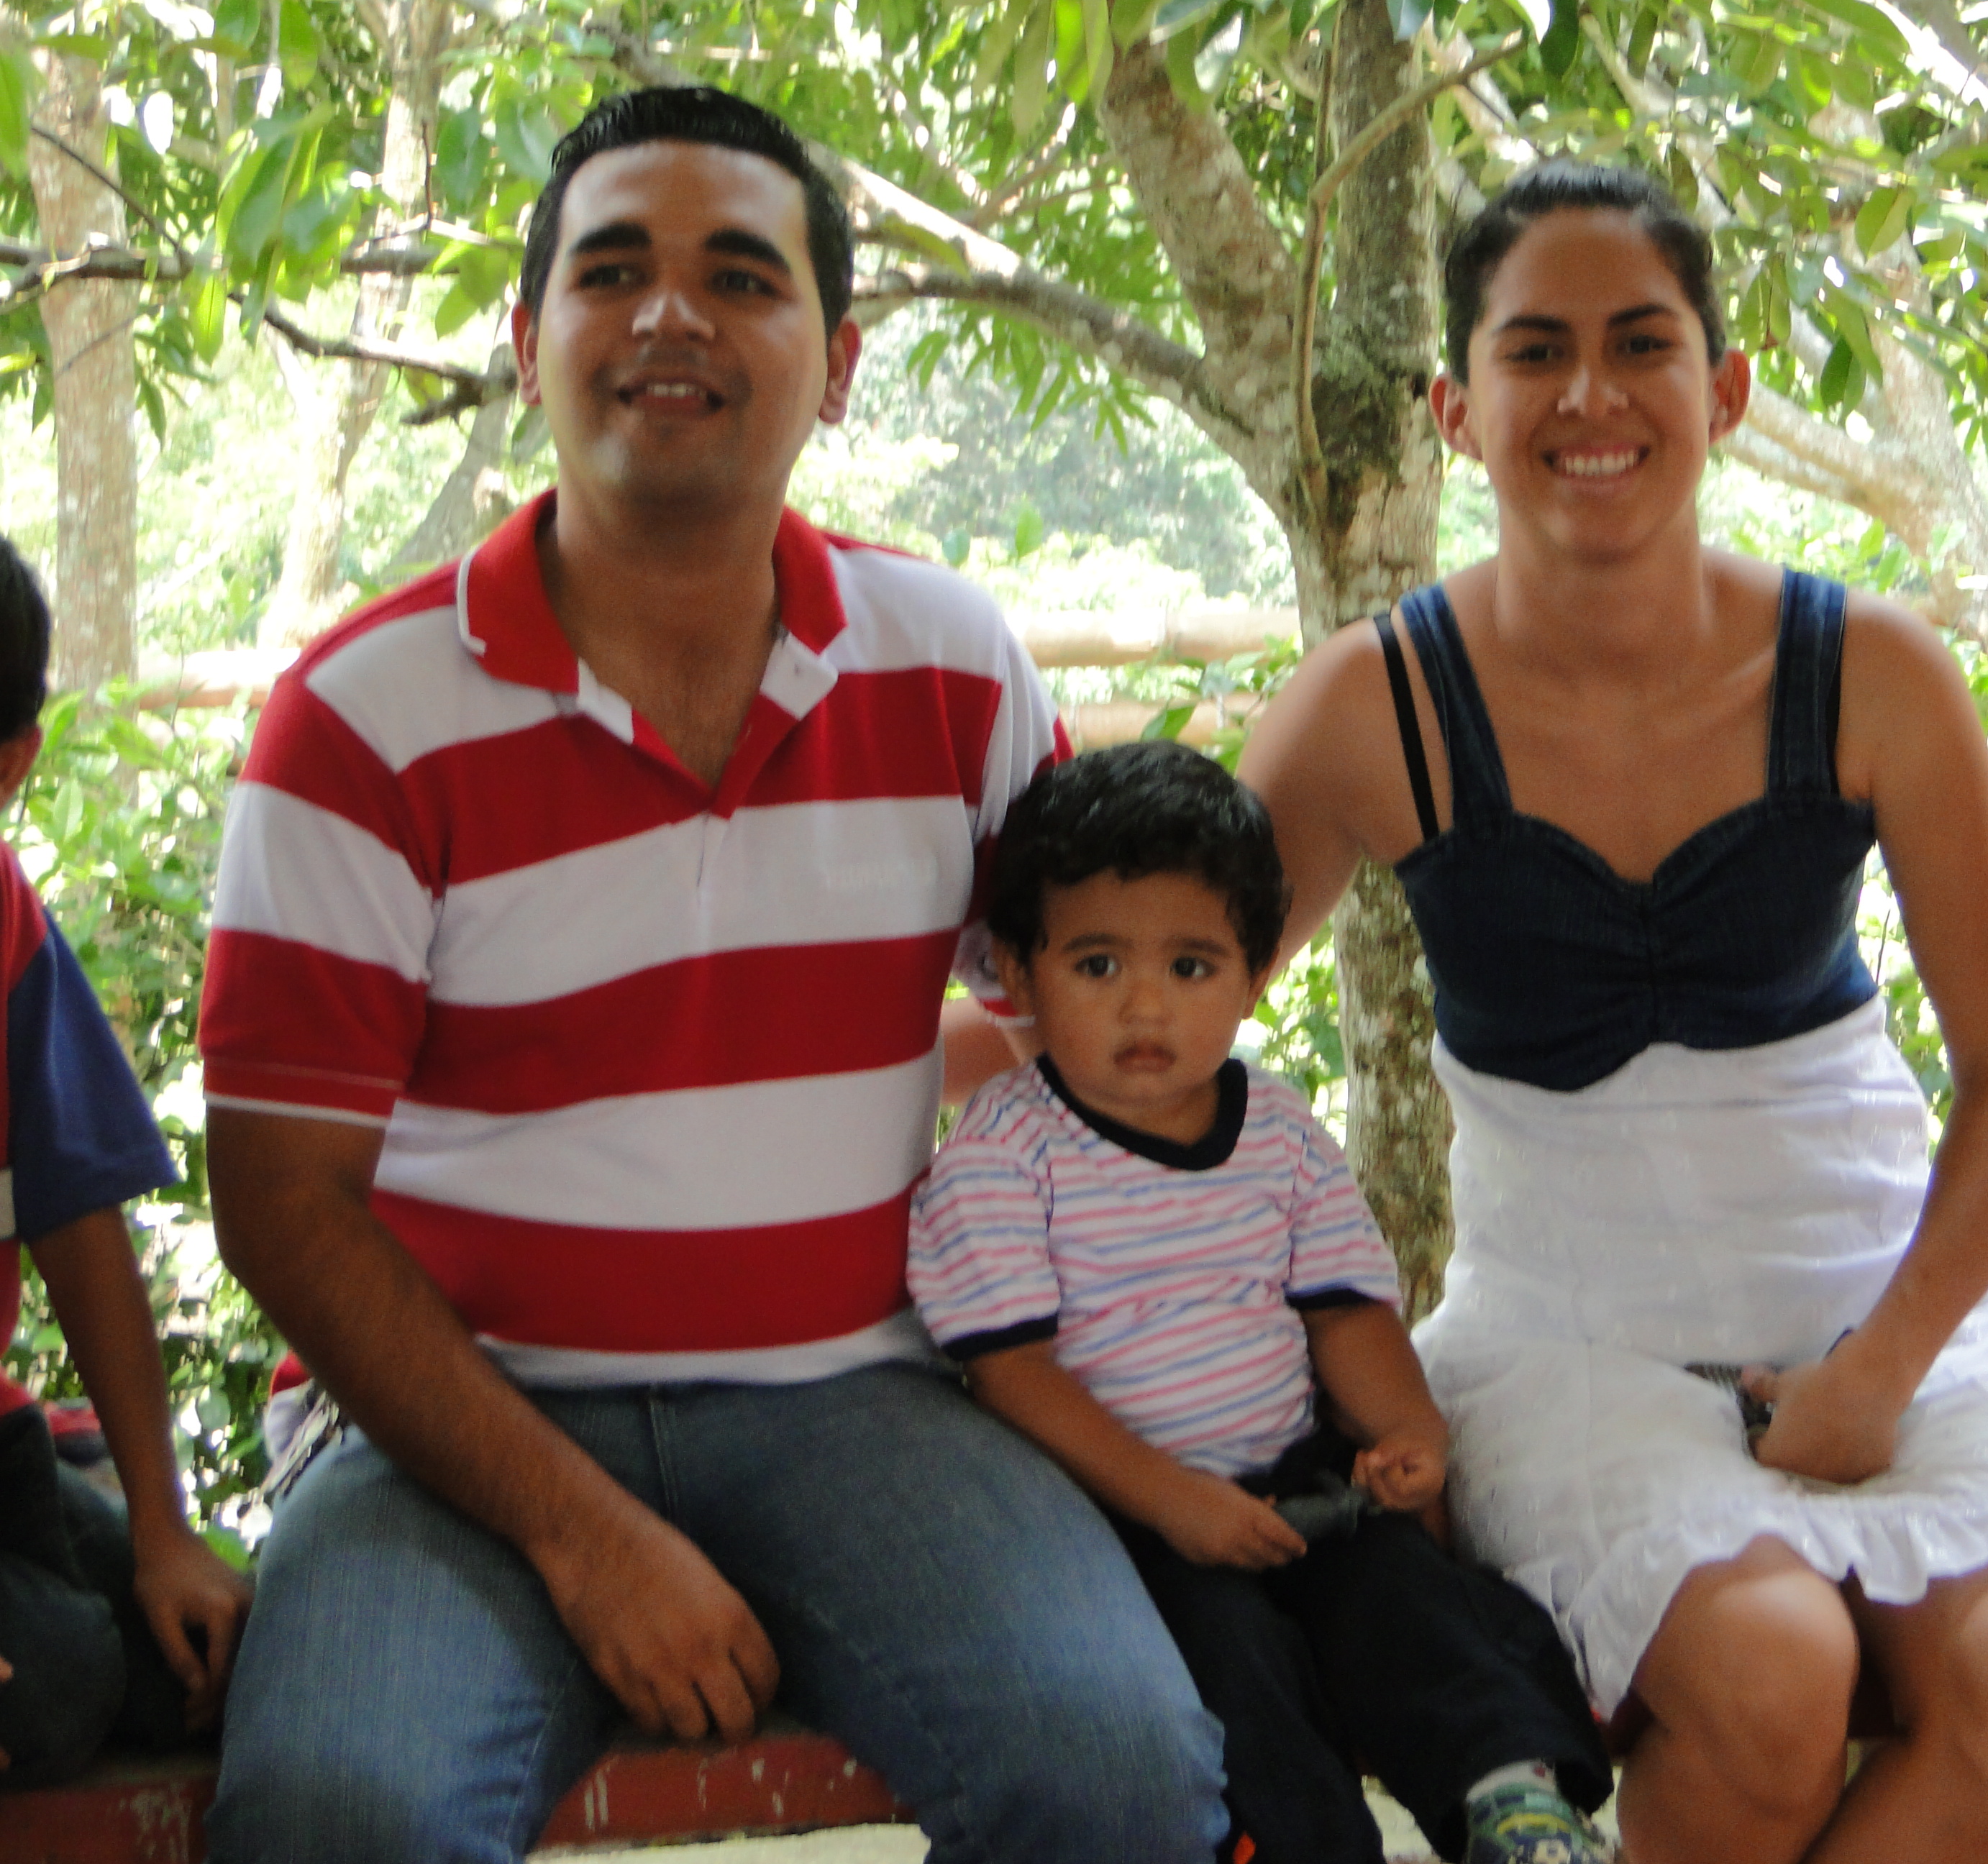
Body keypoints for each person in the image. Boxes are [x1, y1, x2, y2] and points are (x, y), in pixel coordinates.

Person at [199, 88, 1223, 1863]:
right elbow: (282, 1204)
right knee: (334, 1819)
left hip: (865, 1395)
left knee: (1120, 1777)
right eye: (612, 272)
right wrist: (587, 1535)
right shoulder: (361, 721)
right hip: (454, 1422)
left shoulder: (956, 670)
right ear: (528, 340)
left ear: (838, 365)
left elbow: (1092, 1037)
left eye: (742, 278)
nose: (670, 315)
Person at [1235, 162, 1988, 1864]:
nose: (1591, 395)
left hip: (1886, 1314)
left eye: (1642, 344)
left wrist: (1882, 1367)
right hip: (1577, 1344)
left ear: (1722, 390)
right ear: (1455, 408)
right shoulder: (1374, 705)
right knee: (1771, 1679)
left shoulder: (1875, 672)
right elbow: (1150, 999)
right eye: (1536, 351)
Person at [908, 740, 1612, 1864]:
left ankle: (1516, 1805)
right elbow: (1011, 1374)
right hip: (1127, 1519)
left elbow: (1345, 1313)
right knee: (1230, 1671)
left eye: (1192, 967)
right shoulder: (1005, 1154)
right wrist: (1174, 1501)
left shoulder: (1276, 1130)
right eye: (1097, 964)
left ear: (1253, 977)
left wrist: (1408, 1434)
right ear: (1017, 974)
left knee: (1414, 1603)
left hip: (1300, 1485)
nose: (1146, 1004)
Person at [0, 538, 253, 1787]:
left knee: (208, 1662)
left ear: (9, 767)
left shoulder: (7, 933)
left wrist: (160, 1525)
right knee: (53, 1686)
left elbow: (79, 1222)